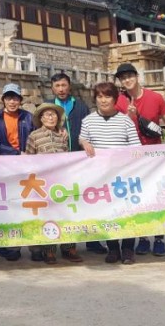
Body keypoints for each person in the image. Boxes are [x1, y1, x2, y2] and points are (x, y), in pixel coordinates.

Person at [114, 62, 165, 257]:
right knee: (138, 198)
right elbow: (113, 124)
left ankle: (159, 238)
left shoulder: (155, 97)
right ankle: (142, 238)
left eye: (129, 76)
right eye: (123, 78)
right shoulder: (119, 101)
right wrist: (127, 114)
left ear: (137, 76)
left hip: (155, 156)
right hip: (131, 158)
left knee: (158, 196)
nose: (127, 80)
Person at [79, 82, 142, 266]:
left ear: (115, 99)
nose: (103, 100)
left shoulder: (125, 120)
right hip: (101, 177)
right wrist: (84, 143)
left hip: (124, 176)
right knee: (107, 212)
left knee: (126, 211)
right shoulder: (88, 120)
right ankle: (113, 248)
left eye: (107, 96)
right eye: (99, 96)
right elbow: (83, 137)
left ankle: (128, 248)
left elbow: (136, 146)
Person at [48, 72, 107, 256]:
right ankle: (61, 242)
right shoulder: (48, 107)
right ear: (52, 88)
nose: (61, 89)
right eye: (57, 86)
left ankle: (92, 240)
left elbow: (88, 130)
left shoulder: (80, 106)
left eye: (64, 85)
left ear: (69, 86)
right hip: (57, 164)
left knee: (85, 200)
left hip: (80, 161)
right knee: (60, 203)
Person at [25, 103, 83, 264]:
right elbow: (28, 159)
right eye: (47, 115)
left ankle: (69, 248)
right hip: (43, 183)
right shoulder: (34, 136)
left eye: (53, 114)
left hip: (62, 183)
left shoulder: (63, 136)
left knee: (66, 215)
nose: (50, 117)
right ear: (41, 118)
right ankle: (49, 250)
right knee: (48, 216)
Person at [0, 83, 34, 261]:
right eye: (8, 98)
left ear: (20, 100)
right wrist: (15, 153)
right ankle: (4, 245)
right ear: (3, 100)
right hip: (4, 167)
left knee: (23, 205)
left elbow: (36, 136)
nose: (12, 101)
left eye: (15, 98)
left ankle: (20, 242)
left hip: (25, 168)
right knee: (4, 206)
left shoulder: (28, 117)